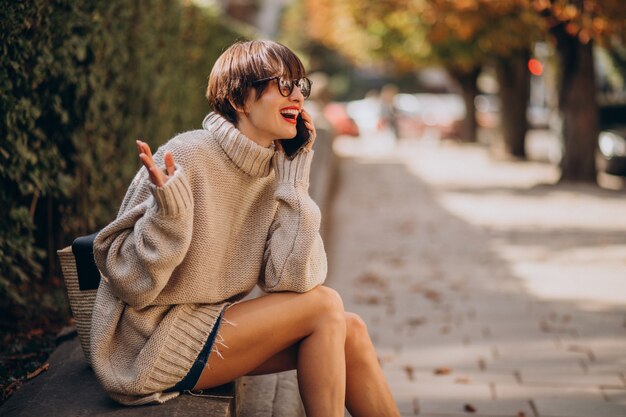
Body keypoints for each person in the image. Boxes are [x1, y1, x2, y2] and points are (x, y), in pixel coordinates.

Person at [91, 39, 400, 417]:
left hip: (206, 331)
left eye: (300, 86)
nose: (297, 97)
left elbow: (293, 281)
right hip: (148, 346)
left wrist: (294, 181)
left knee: (349, 329)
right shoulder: (187, 156)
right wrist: (169, 217)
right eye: (282, 85)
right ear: (240, 100)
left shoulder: (275, 171)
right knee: (326, 306)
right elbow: (131, 284)